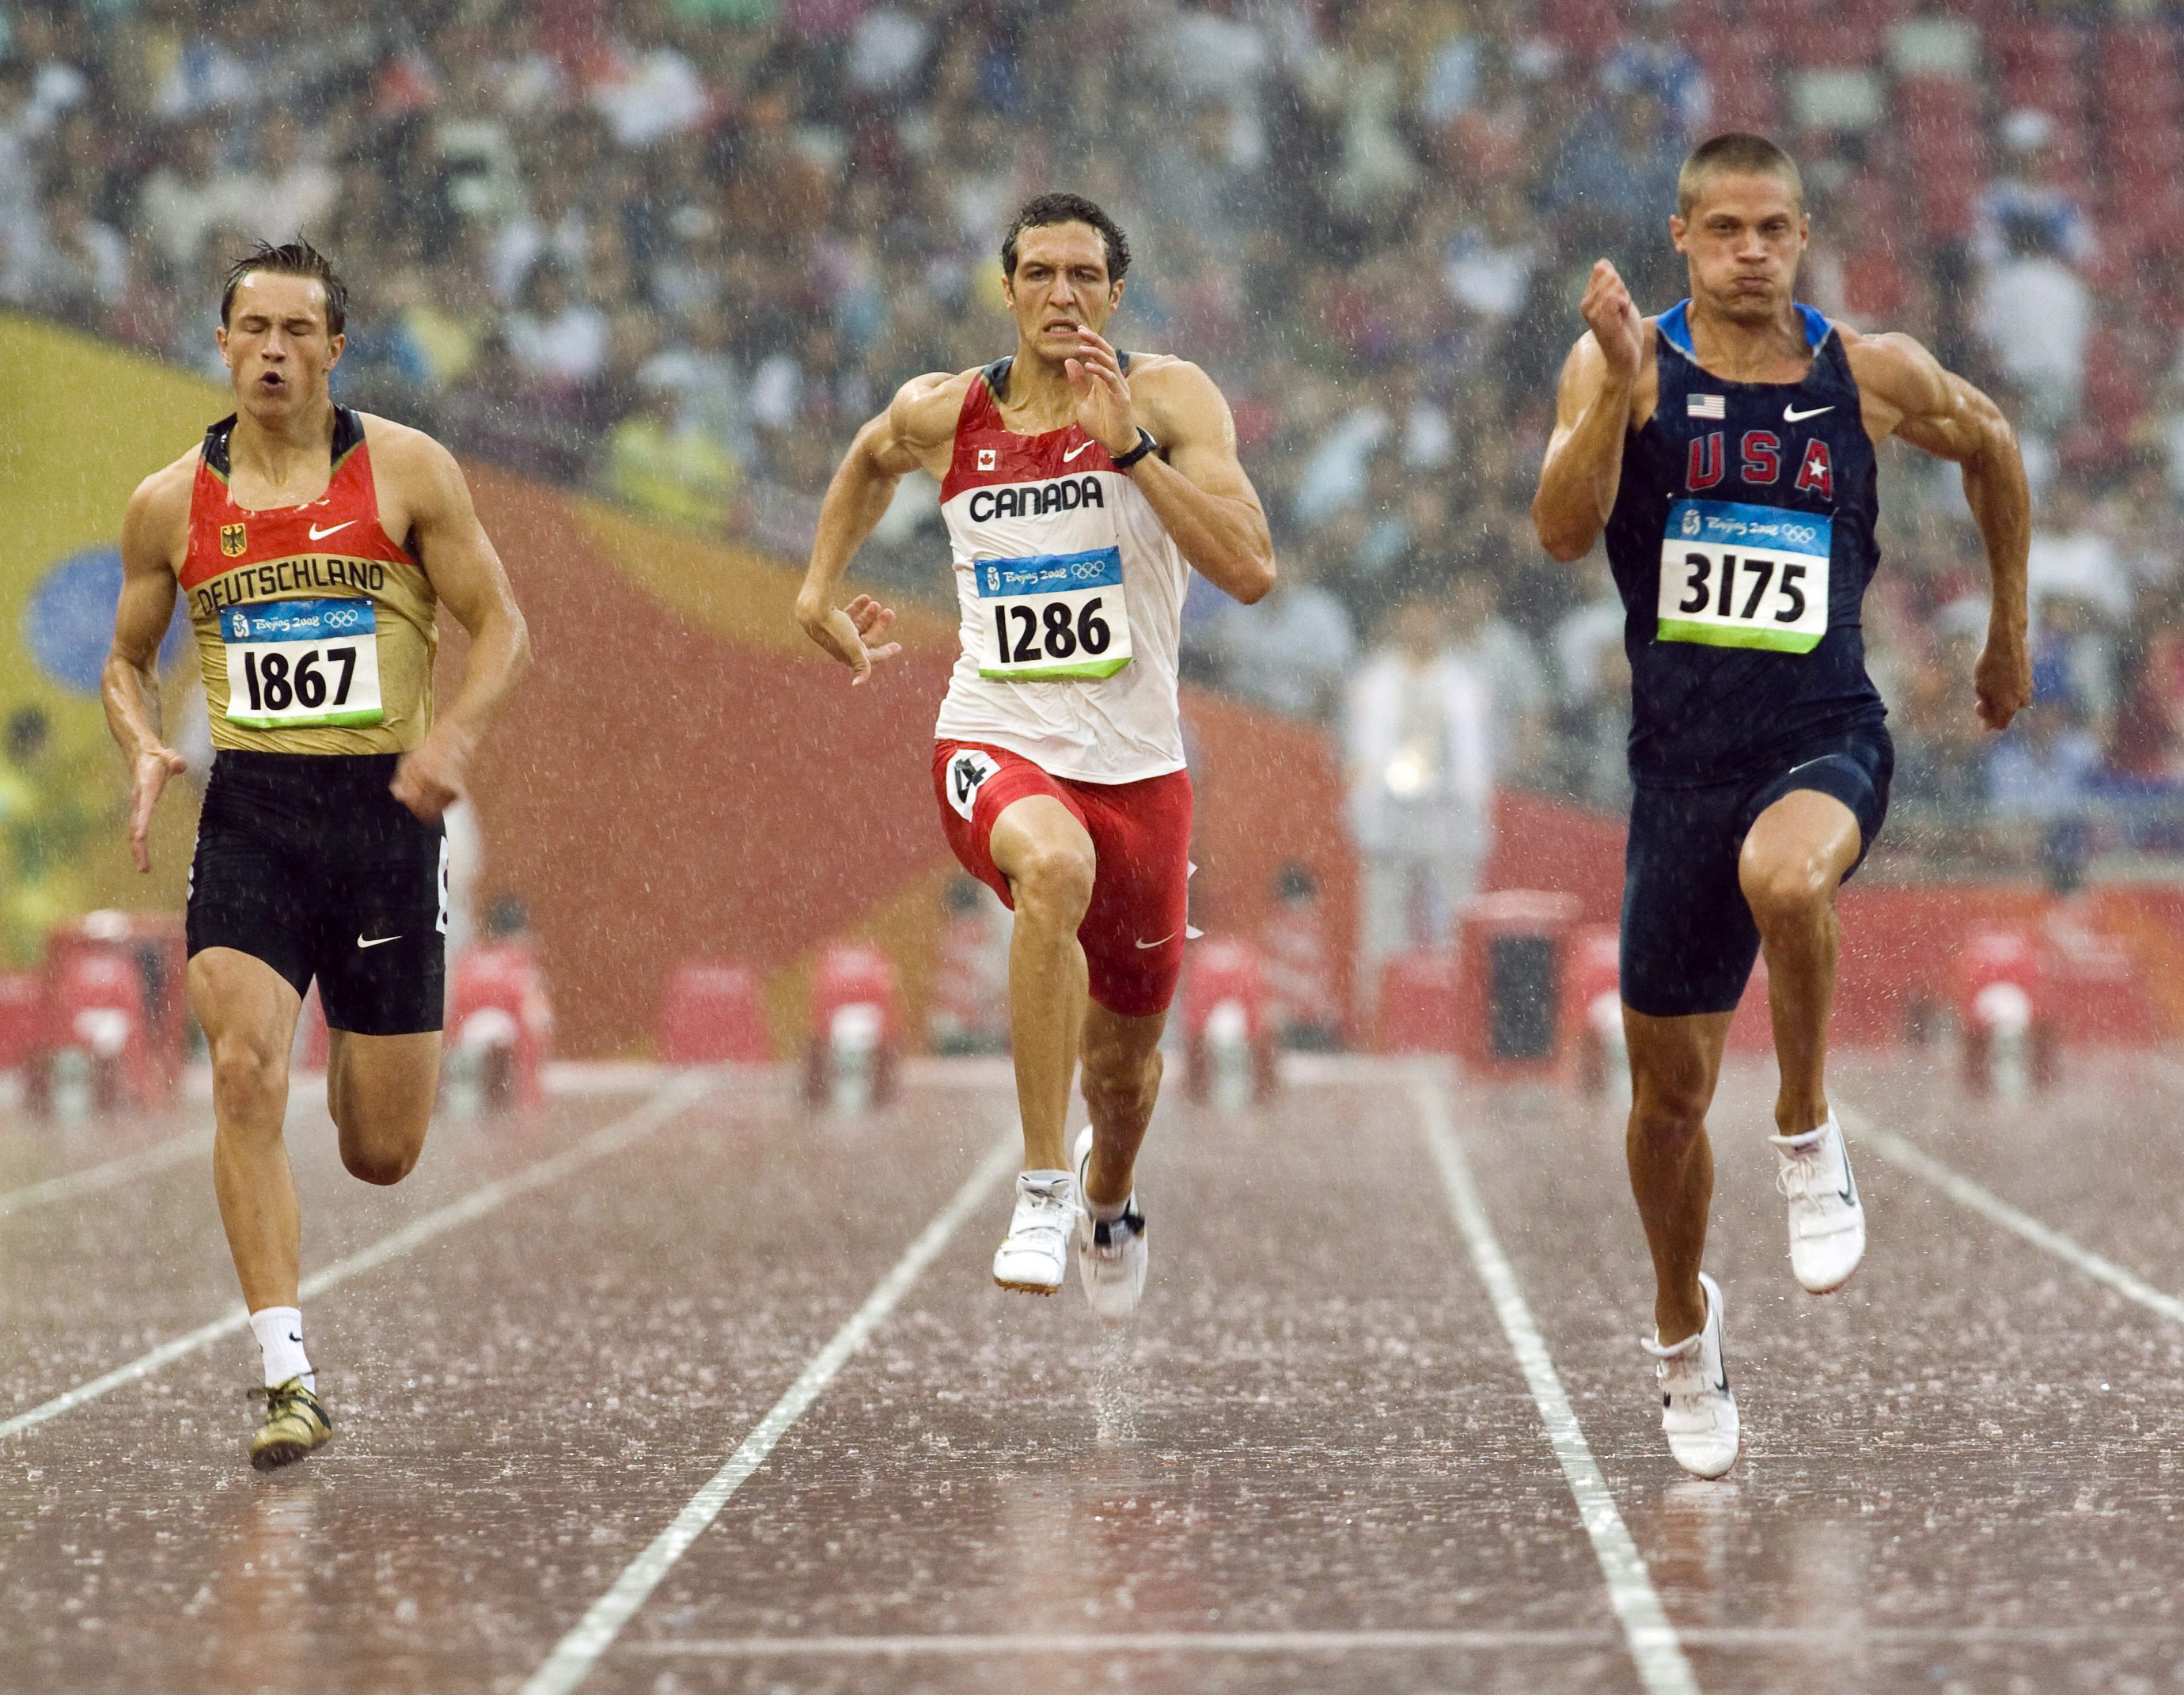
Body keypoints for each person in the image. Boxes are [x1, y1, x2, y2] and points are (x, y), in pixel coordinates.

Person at [1531, 134, 2031, 1478]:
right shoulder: (1625, 365)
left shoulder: (1865, 372)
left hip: (1824, 737)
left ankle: (1809, 1133)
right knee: (1666, 1105)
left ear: (1802, 236)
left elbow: (1990, 445)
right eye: (1727, 230)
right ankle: (1683, 1327)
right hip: (1679, 770)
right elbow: (1563, 531)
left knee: (1790, 879)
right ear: (1683, 236)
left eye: (1776, 230)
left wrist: (2007, 636)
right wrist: (1615, 396)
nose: (1753, 252)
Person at [796, 192, 1275, 1318]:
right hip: (993, 741)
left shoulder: (1167, 396)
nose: (1063, 295)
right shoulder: (945, 412)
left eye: (1085, 277)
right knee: (1051, 869)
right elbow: (871, 455)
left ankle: (1110, 1192)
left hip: (1141, 776)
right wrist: (816, 590)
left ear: (1117, 294)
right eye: (1041, 274)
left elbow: (1250, 568)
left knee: (1127, 1071)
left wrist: (1133, 455)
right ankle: (1044, 1183)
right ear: (1007, 290)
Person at [102, 240, 531, 1469]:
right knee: (240, 1070)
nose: (276, 350)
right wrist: (140, 740)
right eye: (255, 329)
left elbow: (502, 623)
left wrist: (455, 732)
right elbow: (126, 660)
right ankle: (288, 1373)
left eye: (300, 330)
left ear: (337, 349)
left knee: (380, 1151)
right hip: (253, 814)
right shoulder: (169, 502)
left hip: (385, 815)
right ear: (224, 343)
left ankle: (360, 1023)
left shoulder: (405, 471)